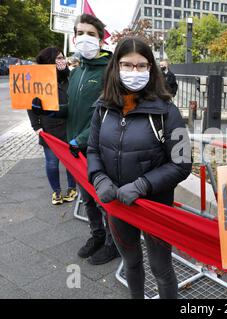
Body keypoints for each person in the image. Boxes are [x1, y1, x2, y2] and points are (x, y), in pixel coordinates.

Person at [87, 36, 192, 299]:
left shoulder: (167, 112)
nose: (134, 72)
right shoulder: (102, 109)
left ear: (151, 69)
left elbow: (182, 163)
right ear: (115, 67)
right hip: (117, 206)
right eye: (126, 65)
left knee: (161, 268)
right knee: (131, 263)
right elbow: (93, 151)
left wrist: (143, 184)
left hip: (154, 207)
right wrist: (98, 177)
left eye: (141, 66)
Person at [67, 13, 119, 265]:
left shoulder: (110, 71)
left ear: (100, 40)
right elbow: (73, 108)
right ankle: (97, 235)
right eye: (80, 33)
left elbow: (110, 111)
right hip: (75, 150)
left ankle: (113, 243)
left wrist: (84, 138)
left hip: (98, 149)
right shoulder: (76, 73)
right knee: (86, 198)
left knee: (102, 199)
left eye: (91, 34)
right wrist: (50, 111)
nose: (84, 38)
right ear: (74, 37)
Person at [27, 47, 78, 205]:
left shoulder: (70, 78)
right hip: (49, 128)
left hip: (69, 127)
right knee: (51, 162)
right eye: (58, 59)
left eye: (62, 58)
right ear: (49, 62)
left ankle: (72, 188)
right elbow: (31, 105)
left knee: (71, 162)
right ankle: (56, 192)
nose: (62, 61)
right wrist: (36, 126)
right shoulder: (39, 82)